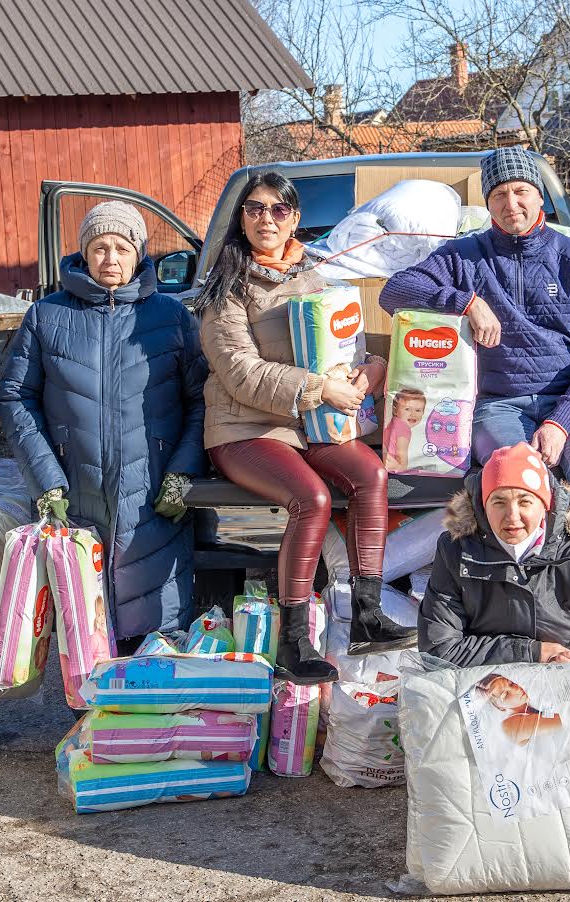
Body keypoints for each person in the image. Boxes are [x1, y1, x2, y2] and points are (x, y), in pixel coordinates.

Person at [197, 171, 416, 684]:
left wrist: (372, 369)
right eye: (254, 209)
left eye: (277, 210)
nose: (266, 219)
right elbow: (241, 373)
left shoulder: (317, 276)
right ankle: (294, 642)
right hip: (244, 429)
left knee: (370, 476)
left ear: (295, 218)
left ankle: (367, 614)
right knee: (311, 498)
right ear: (241, 219)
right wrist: (320, 389)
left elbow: (344, 344)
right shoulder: (225, 288)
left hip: (309, 425)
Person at [0, 201, 207, 667]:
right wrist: (46, 478)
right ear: (83, 255)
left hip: (154, 495)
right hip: (76, 492)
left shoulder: (170, 317)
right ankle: (85, 728)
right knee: (83, 631)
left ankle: (148, 733)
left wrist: (182, 473)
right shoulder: (47, 317)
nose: (110, 258)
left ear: (139, 254)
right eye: (98, 248)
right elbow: (15, 397)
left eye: (121, 247)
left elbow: (201, 402)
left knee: (156, 640)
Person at [379, 147, 570, 503]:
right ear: (488, 203)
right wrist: (467, 302)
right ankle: (525, 555)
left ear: (540, 196)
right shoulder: (463, 256)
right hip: (498, 405)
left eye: (521, 190)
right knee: (513, 469)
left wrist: (559, 423)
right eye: (499, 194)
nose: (511, 202)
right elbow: (394, 291)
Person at [419, 442, 570, 781]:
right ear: (483, 506)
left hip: (568, 698)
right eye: (499, 502)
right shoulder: (457, 551)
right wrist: (532, 652)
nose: (512, 516)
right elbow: (439, 648)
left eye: (525, 501)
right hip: (488, 700)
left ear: (545, 505)